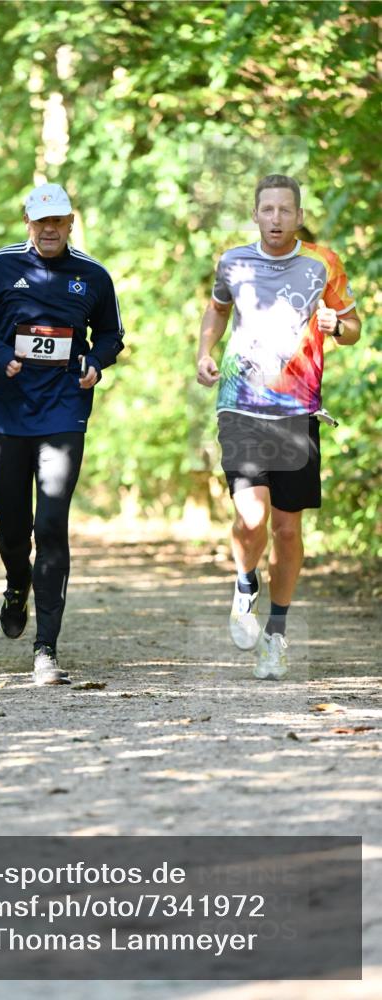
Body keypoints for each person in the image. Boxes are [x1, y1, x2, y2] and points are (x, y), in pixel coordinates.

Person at [0, 182, 124, 685]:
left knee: (50, 525)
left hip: (63, 410)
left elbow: (112, 334)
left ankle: (45, 648)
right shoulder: (1, 266)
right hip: (5, 412)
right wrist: (0, 353)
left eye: (59, 221)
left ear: (71, 222)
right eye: (41, 221)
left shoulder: (92, 275)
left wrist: (96, 360)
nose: (50, 229)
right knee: (13, 528)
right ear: (28, 222)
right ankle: (14, 583)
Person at [197, 174, 361, 679]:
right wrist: (204, 351)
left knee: (288, 530)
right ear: (255, 215)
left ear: (297, 215)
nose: (275, 219)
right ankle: (245, 583)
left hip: (298, 412)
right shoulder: (233, 262)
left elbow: (354, 327)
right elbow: (217, 309)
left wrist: (339, 326)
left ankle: (277, 634)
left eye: (284, 210)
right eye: (267, 209)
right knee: (252, 517)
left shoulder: (323, 263)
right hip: (241, 404)